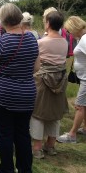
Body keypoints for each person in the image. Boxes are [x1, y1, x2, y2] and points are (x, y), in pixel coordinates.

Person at [0, 3, 40, 173]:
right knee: (23, 133)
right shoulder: (32, 39)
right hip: (27, 93)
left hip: (2, 95)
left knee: (5, 134)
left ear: (2, 21)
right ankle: (24, 169)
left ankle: (6, 169)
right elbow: (36, 68)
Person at [30, 11, 68, 159]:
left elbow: (35, 63)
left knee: (38, 113)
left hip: (42, 81)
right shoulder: (64, 42)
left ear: (48, 23)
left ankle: (37, 148)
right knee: (55, 113)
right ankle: (51, 145)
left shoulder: (41, 42)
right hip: (60, 81)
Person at [57, 16, 86, 143]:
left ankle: (72, 134)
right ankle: (85, 128)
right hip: (83, 77)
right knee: (84, 105)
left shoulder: (84, 39)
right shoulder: (82, 38)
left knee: (79, 105)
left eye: (69, 30)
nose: (68, 33)